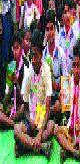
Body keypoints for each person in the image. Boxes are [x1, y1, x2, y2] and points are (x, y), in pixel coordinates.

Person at [14, 29, 54, 159]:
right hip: (31, 120)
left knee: (52, 127)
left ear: (41, 55)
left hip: (42, 119)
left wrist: (40, 131)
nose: (33, 58)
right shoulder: (28, 71)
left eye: (35, 55)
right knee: (16, 129)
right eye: (31, 54)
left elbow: (48, 106)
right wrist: (30, 119)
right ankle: (41, 147)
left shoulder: (46, 71)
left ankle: (24, 146)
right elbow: (25, 104)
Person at [54, 40, 80, 162]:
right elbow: (65, 111)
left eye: (78, 66)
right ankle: (74, 151)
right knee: (56, 130)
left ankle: (68, 150)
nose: (76, 70)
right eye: (74, 66)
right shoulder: (67, 82)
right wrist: (62, 102)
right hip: (69, 127)